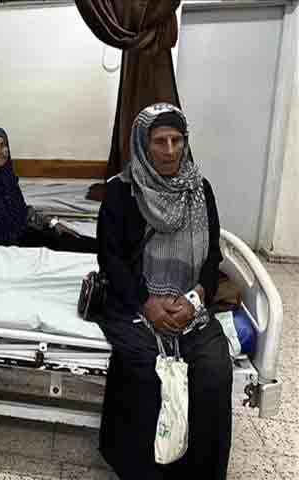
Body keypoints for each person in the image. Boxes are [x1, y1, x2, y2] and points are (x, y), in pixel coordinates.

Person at [97, 103, 231, 479]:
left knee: (213, 372)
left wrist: (195, 300)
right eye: (160, 141)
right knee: (145, 373)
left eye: (177, 140)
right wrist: (147, 304)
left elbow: (212, 255)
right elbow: (110, 258)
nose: (170, 150)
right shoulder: (122, 192)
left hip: (191, 307)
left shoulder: (200, 190)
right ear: (143, 144)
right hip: (135, 304)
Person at [0, 126, 98, 253]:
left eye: (3, 146)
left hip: (19, 234)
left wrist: (51, 222)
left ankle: (104, 248)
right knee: (61, 242)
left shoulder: (6, 174)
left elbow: (21, 211)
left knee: (67, 238)